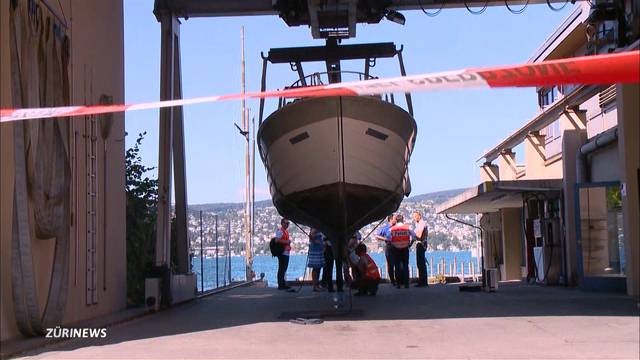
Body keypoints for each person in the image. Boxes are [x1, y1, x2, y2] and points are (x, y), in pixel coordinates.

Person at [387, 214, 416, 289]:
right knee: (406, 266)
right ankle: (406, 283)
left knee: (397, 267)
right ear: (403, 220)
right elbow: (414, 236)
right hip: (405, 248)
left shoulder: (392, 229)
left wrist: (393, 244)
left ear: (396, 220)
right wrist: (410, 244)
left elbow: (388, 239)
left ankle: (398, 284)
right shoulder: (408, 227)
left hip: (396, 249)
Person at [376, 214, 396, 285]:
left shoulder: (396, 227)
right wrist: (385, 239)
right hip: (389, 246)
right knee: (390, 264)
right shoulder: (386, 228)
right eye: (394, 218)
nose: (396, 220)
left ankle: (398, 278)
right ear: (390, 220)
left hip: (397, 246)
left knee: (397, 263)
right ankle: (392, 280)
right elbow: (377, 235)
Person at [412, 211, 429, 287]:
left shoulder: (422, 224)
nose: (414, 218)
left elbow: (419, 235)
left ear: (419, 216)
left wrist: (412, 234)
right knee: (420, 263)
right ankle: (422, 281)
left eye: (415, 216)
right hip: (419, 243)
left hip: (421, 244)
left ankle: (423, 282)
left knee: (421, 263)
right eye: (413, 216)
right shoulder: (418, 224)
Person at [274, 218, 292, 290]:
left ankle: (283, 283)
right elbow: (276, 240)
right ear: (282, 223)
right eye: (285, 223)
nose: (287, 224)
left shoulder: (286, 231)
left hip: (286, 252)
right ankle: (280, 284)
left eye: (288, 223)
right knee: (281, 268)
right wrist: (286, 242)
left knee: (284, 269)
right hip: (282, 253)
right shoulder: (280, 231)